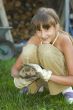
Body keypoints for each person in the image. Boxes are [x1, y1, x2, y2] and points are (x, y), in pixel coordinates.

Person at [11, 7, 73, 104]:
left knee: (46, 50)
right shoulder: (34, 39)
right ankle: (35, 85)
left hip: (62, 78)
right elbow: (15, 68)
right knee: (28, 50)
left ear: (56, 27)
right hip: (42, 77)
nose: (43, 35)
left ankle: (66, 89)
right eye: (39, 30)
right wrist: (21, 78)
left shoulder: (64, 40)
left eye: (47, 28)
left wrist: (48, 76)